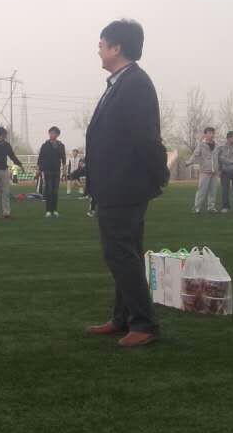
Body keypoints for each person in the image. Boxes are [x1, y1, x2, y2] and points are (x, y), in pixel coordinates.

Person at [83, 18, 169, 349]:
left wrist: (158, 175)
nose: (98, 50)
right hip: (114, 184)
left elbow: (146, 138)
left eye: (102, 44)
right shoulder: (121, 83)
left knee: (120, 253)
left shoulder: (135, 84)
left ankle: (144, 323)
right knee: (124, 253)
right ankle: (123, 318)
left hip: (124, 185)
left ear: (117, 47)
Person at [186, 127, 220, 214]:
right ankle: (197, 208)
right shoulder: (201, 145)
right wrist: (189, 162)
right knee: (202, 190)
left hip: (215, 172)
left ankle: (211, 207)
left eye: (212, 133)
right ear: (205, 134)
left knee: (213, 191)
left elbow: (220, 157)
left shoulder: (217, 146)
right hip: (205, 171)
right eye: (209, 133)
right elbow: (195, 155)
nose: (211, 135)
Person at [37, 126, 67, 218]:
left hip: (57, 171)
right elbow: (40, 158)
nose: (51, 135)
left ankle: (55, 210)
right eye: (50, 133)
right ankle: (48, 210)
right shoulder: (45, 145)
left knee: (55, 192)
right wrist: (38, 170)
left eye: (53, 133)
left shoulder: (61, 146)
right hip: (47, 171)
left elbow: (64, 159)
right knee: (49, 191)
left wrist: (64, 171)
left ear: (57, 135)